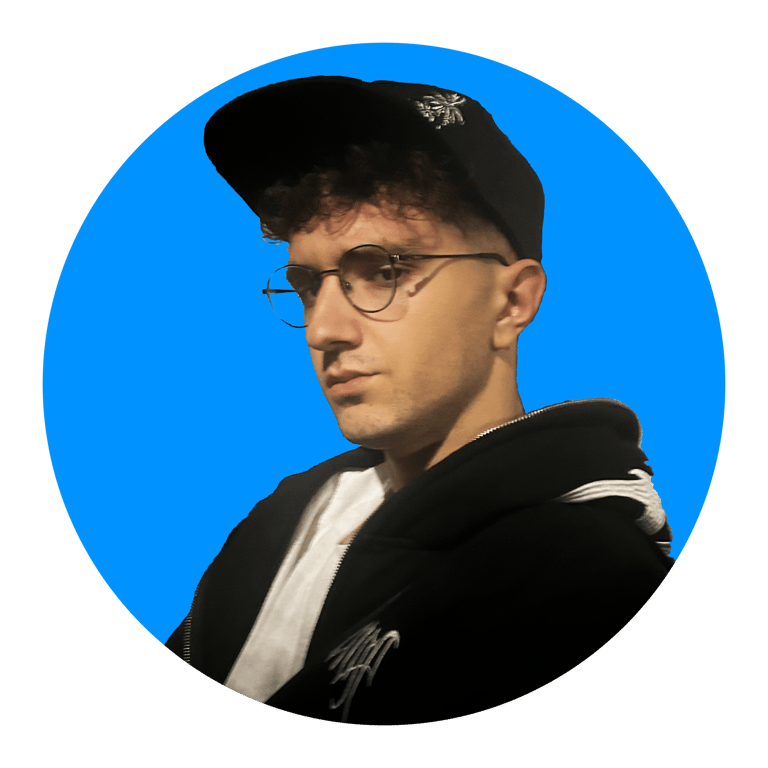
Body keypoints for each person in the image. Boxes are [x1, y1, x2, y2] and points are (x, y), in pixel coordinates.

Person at [166, 76, 673, 725]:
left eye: (384, 270)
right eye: (308, 284)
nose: (324, 330)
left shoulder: (594, 583)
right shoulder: (284, 518)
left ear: (512, 303)